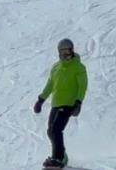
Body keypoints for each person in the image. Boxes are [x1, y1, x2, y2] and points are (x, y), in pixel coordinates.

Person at [33, 38, 87, 169]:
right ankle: (59, 156)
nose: (65, 55)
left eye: (67, 51)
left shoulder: (78, 67)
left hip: (69, 104)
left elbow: (82, 86)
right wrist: (41, 99)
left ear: (72, 50)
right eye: (62, 52)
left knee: (57, 130)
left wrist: (78, 102)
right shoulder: (56, 67)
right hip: (56, 104)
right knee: (50, 131)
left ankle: (58, 158)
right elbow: (50, 85)